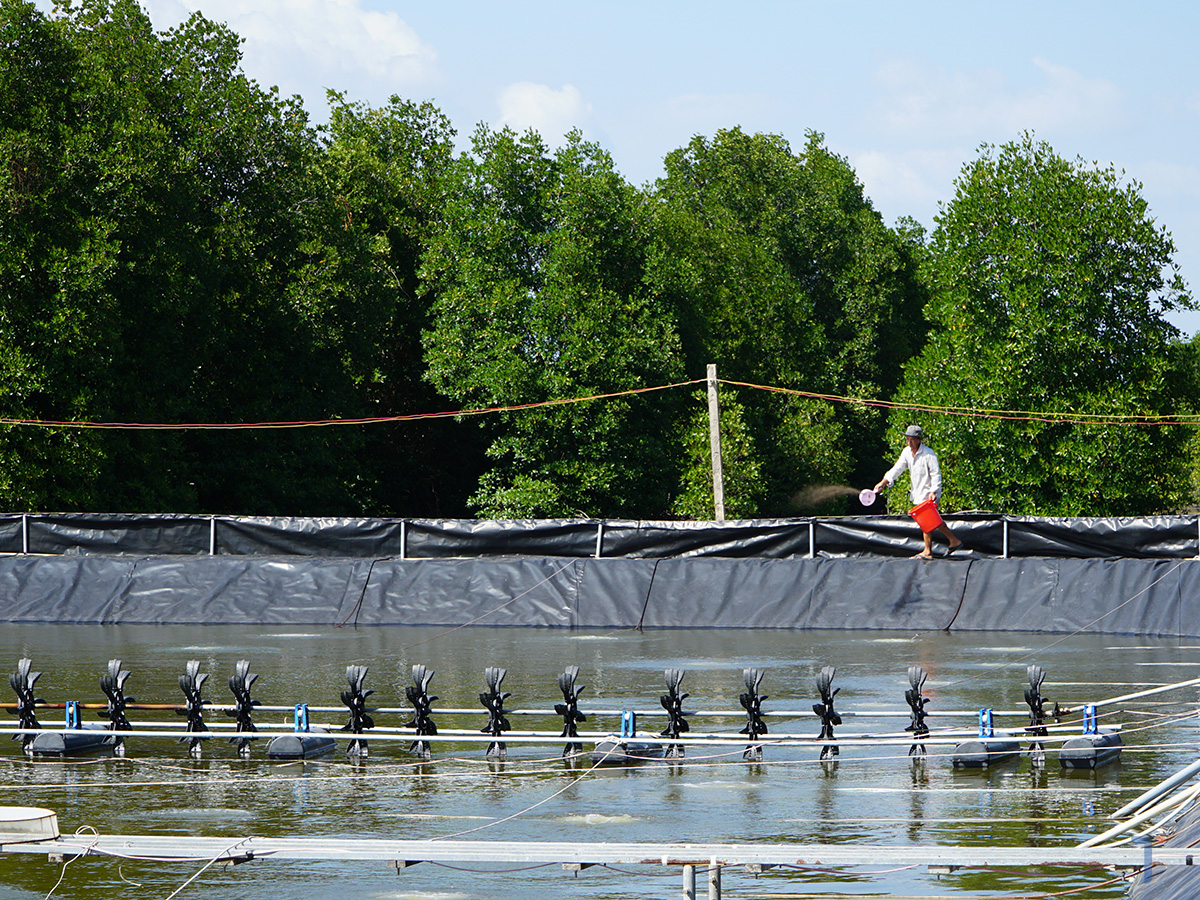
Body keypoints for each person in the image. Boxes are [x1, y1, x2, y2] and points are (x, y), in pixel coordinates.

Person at [874, 425, 963, 559]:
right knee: (931, 520)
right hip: (918, 492)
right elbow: (897, 468)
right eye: (907, 439)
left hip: (929, 493)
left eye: (912, 439)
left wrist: (934, 491)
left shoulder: (929, 454)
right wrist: (883, 482)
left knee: (926, 520)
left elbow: (936, 474)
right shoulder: (906, 453)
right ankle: (953, 541)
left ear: (919, 439)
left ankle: (929, 550)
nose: (909, 442)